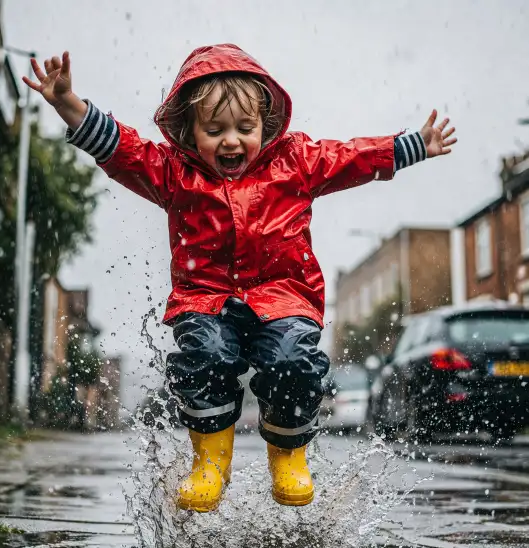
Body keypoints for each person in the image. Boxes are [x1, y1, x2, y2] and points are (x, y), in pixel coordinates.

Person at [24, 44, 456, 513]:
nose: (231, 141)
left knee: (293, 361)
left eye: (244, 129)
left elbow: (352, 157)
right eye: (215, 130)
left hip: (284, 297)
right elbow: (124, 149)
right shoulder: (174, 173)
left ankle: (288, 456)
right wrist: (69, 104)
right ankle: (210, 461)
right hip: (205, 297)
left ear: (265, 127)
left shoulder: (296, 160)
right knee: (205, 356)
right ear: (190, 132)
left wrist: (414, 145)